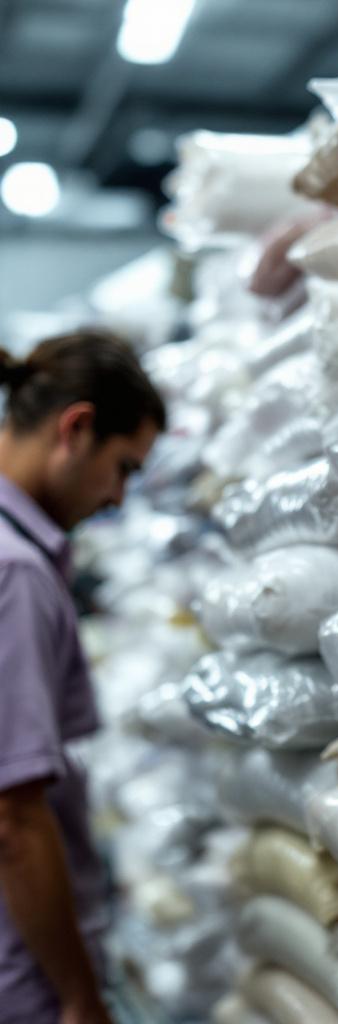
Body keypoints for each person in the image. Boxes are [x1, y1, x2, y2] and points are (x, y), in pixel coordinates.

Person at [0, 330, 166, 1024]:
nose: (119, 498)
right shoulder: (17, 574)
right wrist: (78, 997)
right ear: (76, 428)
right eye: (124, 467)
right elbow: (13, 815)